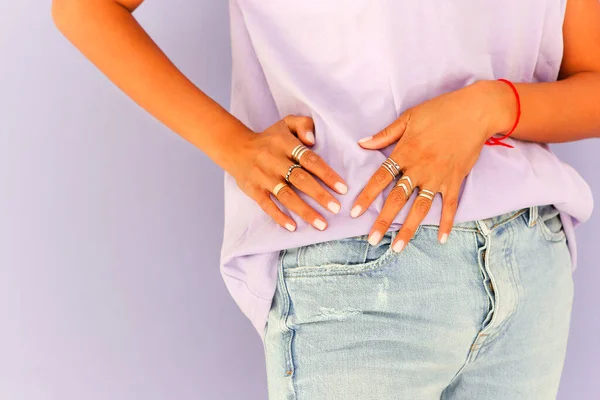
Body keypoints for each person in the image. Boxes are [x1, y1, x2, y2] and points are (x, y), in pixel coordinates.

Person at [52, 0, 598, 398]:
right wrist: (234, 145)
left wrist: (492, 107)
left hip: (526, 267)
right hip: (357, 269)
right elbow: (82, 8)